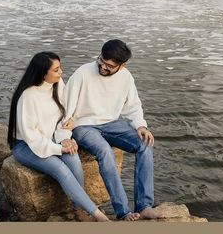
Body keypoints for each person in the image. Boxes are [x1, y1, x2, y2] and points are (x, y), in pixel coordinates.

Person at [62, 39, 162, 221]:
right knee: (104, 151)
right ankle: (123, 212)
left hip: (111, 124)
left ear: (121, 66)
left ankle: (144, 205)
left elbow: (133, 105)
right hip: (83, 125)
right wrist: (64, 134)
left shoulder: (126, 77)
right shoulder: (83, 73)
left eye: (109, 66)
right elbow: (65, 105)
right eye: (101, 61)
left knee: (145, 144)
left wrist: (141, 125)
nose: (103, 67)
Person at [7, 51, 109, 222]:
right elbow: (32, 137)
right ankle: (99, 216)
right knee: (60, 169)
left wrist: (65, 136)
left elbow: (67, 113)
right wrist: (58, 148)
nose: (61, 72)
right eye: (56, 70)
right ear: (42, 73)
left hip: (52, 138)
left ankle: (79, 209)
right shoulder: (27, 96)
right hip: (26, 146)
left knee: (73, 157)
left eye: (60, 67)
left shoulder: (57, 84)